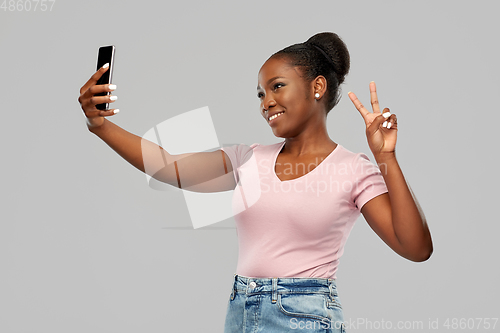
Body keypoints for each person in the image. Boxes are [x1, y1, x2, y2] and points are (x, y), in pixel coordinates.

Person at [78, 32, 433, 332]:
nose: (267, 103)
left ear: (317, 87)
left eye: (277, 87)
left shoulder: (352, 169)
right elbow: (168, 166)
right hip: (241, 310)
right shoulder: (249, 157)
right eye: (261, 94)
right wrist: (101, 126)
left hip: (305, 316)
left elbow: (416, 248)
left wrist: (386, 158)